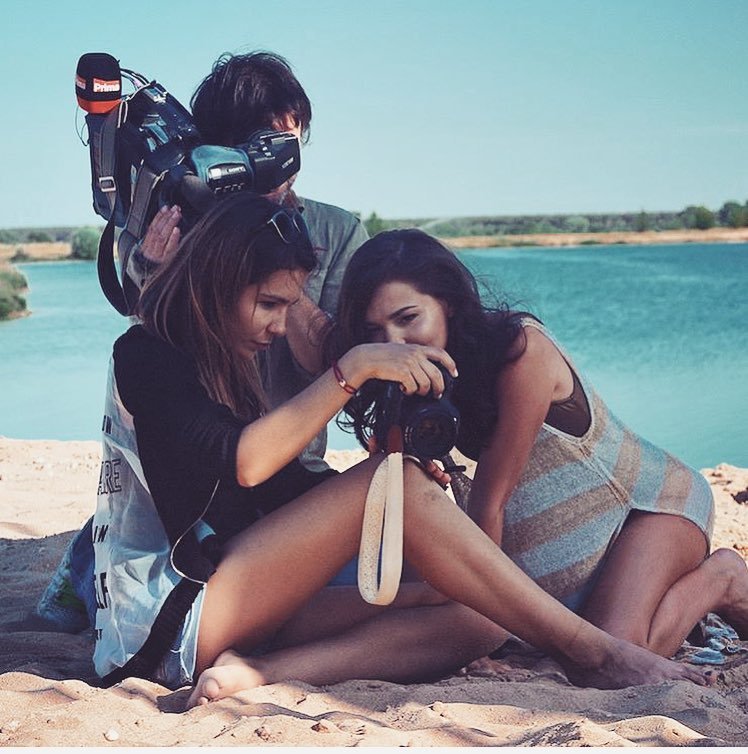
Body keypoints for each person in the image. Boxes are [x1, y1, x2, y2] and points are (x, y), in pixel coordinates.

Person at [92, 193, 709, 709]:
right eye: (269, 305)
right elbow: (246, 463)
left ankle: (261, 672)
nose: (280, 327)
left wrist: (389, 486)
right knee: (397, 488)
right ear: (217, 283)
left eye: (287, 307)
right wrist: (351, 371)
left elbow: (273, 490)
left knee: (477, 617)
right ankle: (594, 653)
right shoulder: (145, 354)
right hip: (163, 619)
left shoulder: (219, 361)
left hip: (234, 609)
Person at [36, 50, 367, 632]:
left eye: (292, 143)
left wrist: (278, 259)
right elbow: (147, 351)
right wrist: (153, 264)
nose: (283, 163)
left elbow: (328, 361)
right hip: (201, 471)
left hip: (290, 461)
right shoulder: (171, 211)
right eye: (265, 146)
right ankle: (88, 561)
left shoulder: (336, 232)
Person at [330, 228, 748, 659]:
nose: (393, 345)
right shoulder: (404, 381)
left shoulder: (522, 351)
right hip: (562, 569)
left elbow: (490, 504)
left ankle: (724, 578)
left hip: (645, 510)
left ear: (447, 302)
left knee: (618, 651)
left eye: (408, 319)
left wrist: (474, 637)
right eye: (375, 331)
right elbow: (402, 505)